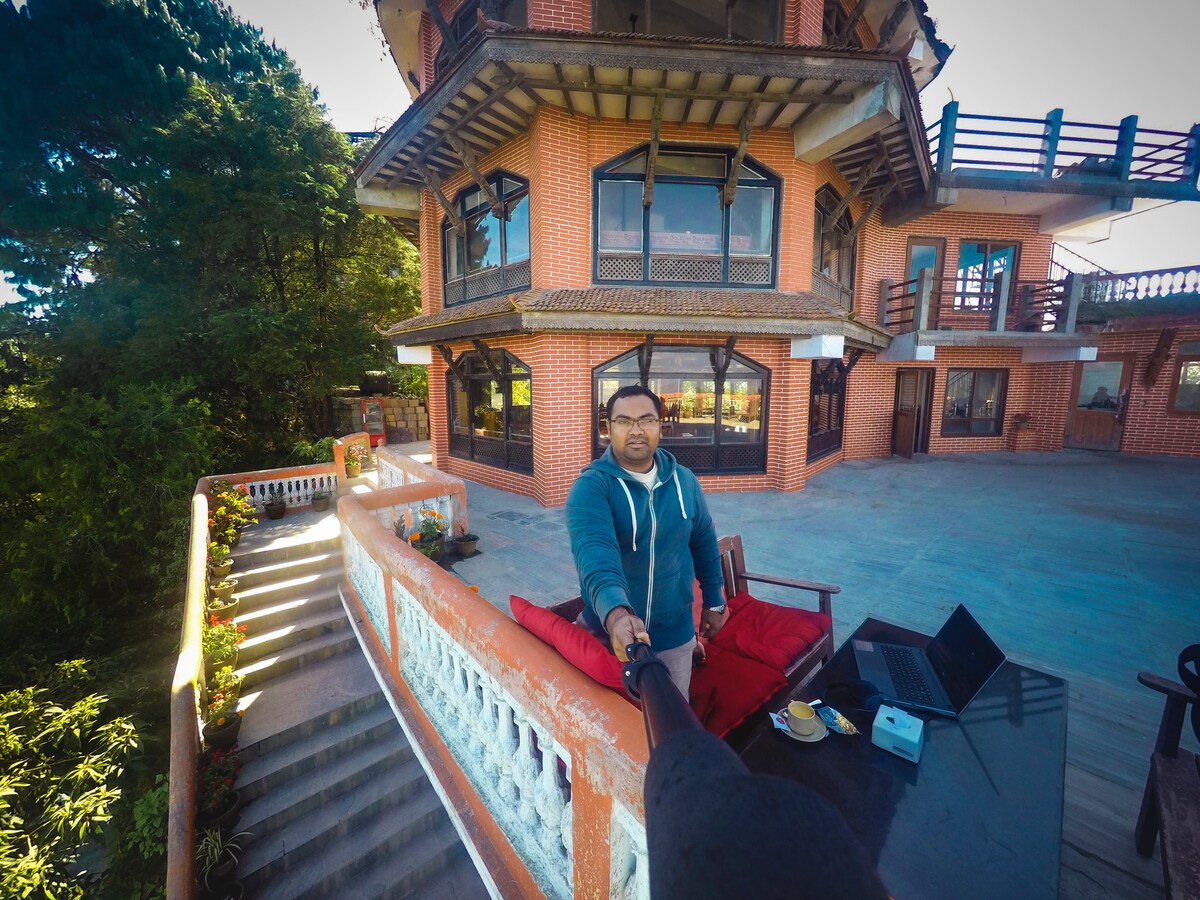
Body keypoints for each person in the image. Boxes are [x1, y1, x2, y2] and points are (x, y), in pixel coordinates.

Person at [566, 384, 726, 697]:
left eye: (647, 420)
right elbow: (596, 558)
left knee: (670, 726)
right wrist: (617, 616)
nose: (636, 430)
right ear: (608, 428)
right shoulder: (592, 487)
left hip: (675, 635)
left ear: (659, 426)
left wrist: (714, 600)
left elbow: (703, 539)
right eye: (624, 421)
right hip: (607, 634)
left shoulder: (685, 481)